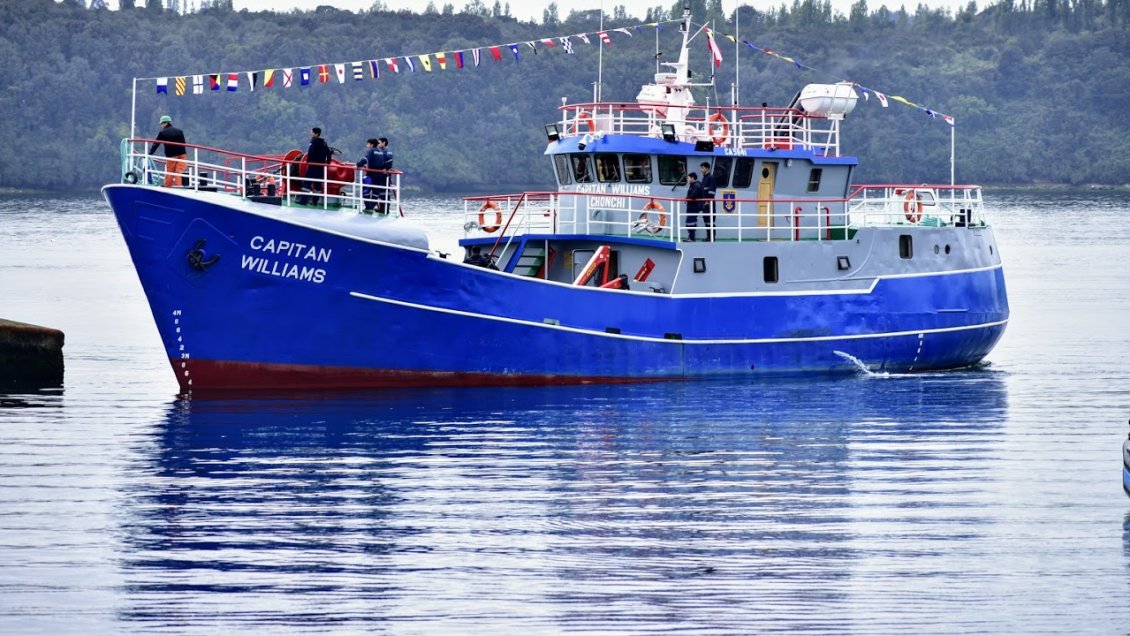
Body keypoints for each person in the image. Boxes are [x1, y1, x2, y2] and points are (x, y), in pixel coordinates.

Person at [148, 115, 187, 188]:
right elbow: (183, 143)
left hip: (171, 155)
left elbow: (156, 144)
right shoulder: (179, 131)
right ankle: (179, 186)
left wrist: (150, 154)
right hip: (182, 154)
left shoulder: (163, 132)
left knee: (170, 171)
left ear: (165, 123)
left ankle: (167, 186)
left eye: (161, 124)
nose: (161, 125)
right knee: (179, 171)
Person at [298, 127, 331, 205]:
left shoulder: (313, 141)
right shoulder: (324, 142)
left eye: (312, 132)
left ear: (316, 134)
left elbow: (311, 151)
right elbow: (328, 153)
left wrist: (308, 161)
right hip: (321, 167)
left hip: (313, 166)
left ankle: (303, 201)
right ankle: (315, 201)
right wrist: (328, 162)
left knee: (307, 183)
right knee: (318, 184)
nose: (311, 133)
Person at [355, 138, 382, 212]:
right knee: (376, 192)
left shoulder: (371, 151)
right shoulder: (380, 152)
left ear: (372, 144)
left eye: (368, 144)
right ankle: (371, 207)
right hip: (379, 175)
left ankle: (368, 207)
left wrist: (359, 164)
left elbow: (365, 159)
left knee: (365, 190)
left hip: (371, 175)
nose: (367, 146)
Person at [373, 137, 393, 213]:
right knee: (381, 191)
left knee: (385, 191)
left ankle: (385, 209)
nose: (378, 144)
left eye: (379, 143)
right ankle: (381, 208)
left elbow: (389, 162)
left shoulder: (387, 152)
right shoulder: (380, 151)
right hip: (380, 174)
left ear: (384, 143)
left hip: (385, 175)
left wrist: (387, 169)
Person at [685, 171, 705, 242]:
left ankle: (692, 238)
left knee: (690, 222)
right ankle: (691, 237)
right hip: (693, 206)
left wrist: (687, 198)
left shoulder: (696, 185)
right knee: (691, 222)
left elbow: (693, 195)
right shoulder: (694, 185)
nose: (687, 179)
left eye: (688, 178)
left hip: (694, 207)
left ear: (692, 178)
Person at [699, 161, 717, 242]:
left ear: (707, 168)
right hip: (704, 203)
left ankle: (711, 237)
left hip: (709, 203)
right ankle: (708, 237)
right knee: (706, 220)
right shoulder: (704, 177)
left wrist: (707, 201)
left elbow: (712, 191)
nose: (701, 170)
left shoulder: (711, 178)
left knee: (710, 220)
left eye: (702, 168)